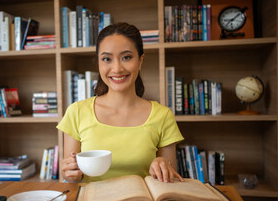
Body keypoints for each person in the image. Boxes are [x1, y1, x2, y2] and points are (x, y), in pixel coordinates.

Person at [57, 22, 184, 183]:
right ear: (98, 63)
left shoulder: (163, 115)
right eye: (106, 59)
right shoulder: (76, 112)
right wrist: (69, 173)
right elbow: (72, 179)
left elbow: (169, 179)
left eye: (126, 57)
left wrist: (164, 164)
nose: (117, 68)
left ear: (140, 61)